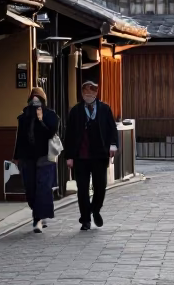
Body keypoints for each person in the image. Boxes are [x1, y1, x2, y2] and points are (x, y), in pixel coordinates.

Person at [64, 79, 118, 231]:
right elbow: (69, 134)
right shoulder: (75, 111)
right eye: (85, 93)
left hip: (99, 156)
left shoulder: (104, 109)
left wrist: (113, 146)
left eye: (91, 93)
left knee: (100, 187)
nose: (88, 95)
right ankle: (85, 219)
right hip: (81, 157)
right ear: (82, 94)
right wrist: (69, 156)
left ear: (96, 93)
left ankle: (95, 209)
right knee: (82, 189)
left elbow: (112, 129)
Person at [13, 86, 60, 233]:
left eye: (38, 99)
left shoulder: (50, 115)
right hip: (28, 157)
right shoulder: (24, 116)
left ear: (43, 101)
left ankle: (38, 218)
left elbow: (50, 133)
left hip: (45, 156)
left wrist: (41, 120)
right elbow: (20, 137)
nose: (35, 102)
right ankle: (38, 212)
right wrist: (16, 157)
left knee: (43, 187)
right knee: (30, 188)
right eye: (33, 99)